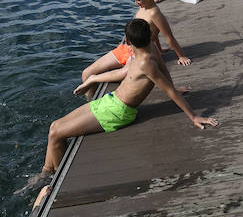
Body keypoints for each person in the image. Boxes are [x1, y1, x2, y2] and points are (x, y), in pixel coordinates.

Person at [35, 19, 218, 181]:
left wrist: (193, 117)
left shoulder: (146, 63)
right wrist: (92, 79)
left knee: (56, 133)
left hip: (118, 111)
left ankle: (54, 180)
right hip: (111, 101)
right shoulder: (150, 49)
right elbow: (164, 72)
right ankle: (46, 172)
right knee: (54, 127)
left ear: (128, 41)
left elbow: (168, 90)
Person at [80, 0, 190, 99]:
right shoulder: (142, 8)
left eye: (138, 0)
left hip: (138, 54)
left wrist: (181, 56)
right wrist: (160, 48)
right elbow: (151, 32)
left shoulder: (155, 13)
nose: (136, 3)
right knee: (86, 73)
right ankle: (91, 104)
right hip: (125, 49)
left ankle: (94, 79)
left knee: (124, 73)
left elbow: (169, 36)